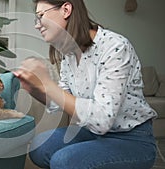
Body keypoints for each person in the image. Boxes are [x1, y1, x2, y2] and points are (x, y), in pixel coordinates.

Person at [13, 0, 158, 168]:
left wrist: (47, 83)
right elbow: (63, 97)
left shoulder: (115, 47)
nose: (37, 25)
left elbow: (102, 119)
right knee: (39, 147)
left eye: (40, 16)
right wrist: (36, 89)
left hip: (131, 139)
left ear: (66, 10)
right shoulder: (69, 53)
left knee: (63, 161)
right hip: (92, 132)